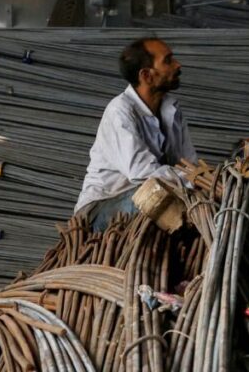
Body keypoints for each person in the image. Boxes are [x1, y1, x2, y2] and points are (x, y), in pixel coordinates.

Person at [75, 38, 197, 231]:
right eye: (168, 61)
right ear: (147, 76)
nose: (177, 65)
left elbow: (189, 163)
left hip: (152, 193)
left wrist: (199, 178)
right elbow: (143, 174)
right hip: (100, 208)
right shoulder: (119, 112)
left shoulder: (171, 108)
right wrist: (193, 179)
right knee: (158, 199)